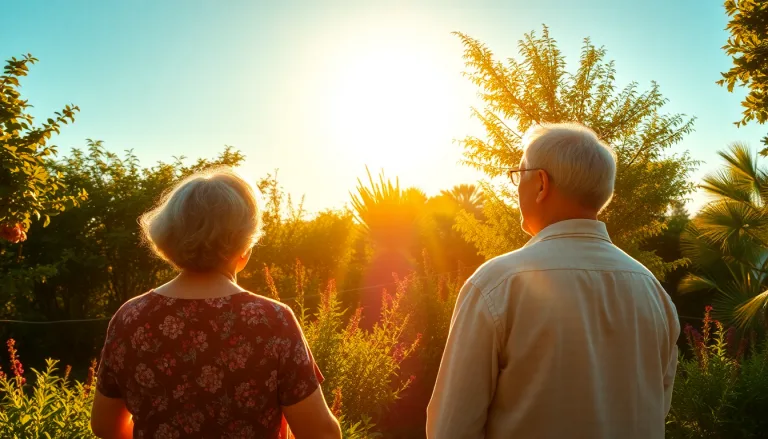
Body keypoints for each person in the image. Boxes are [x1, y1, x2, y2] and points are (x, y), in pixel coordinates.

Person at [426, 123, 680, 439]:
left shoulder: (497, 285)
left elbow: (451, 428)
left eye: (519, 175)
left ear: (541, 183)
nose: (516, 187)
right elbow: (657, 409)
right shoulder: (654, 292)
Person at [90, 168, 341, 439]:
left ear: (169, 239)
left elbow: (105, 426)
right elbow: (321, 434)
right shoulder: (272, 320)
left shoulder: (130, 317)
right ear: (245, 246)